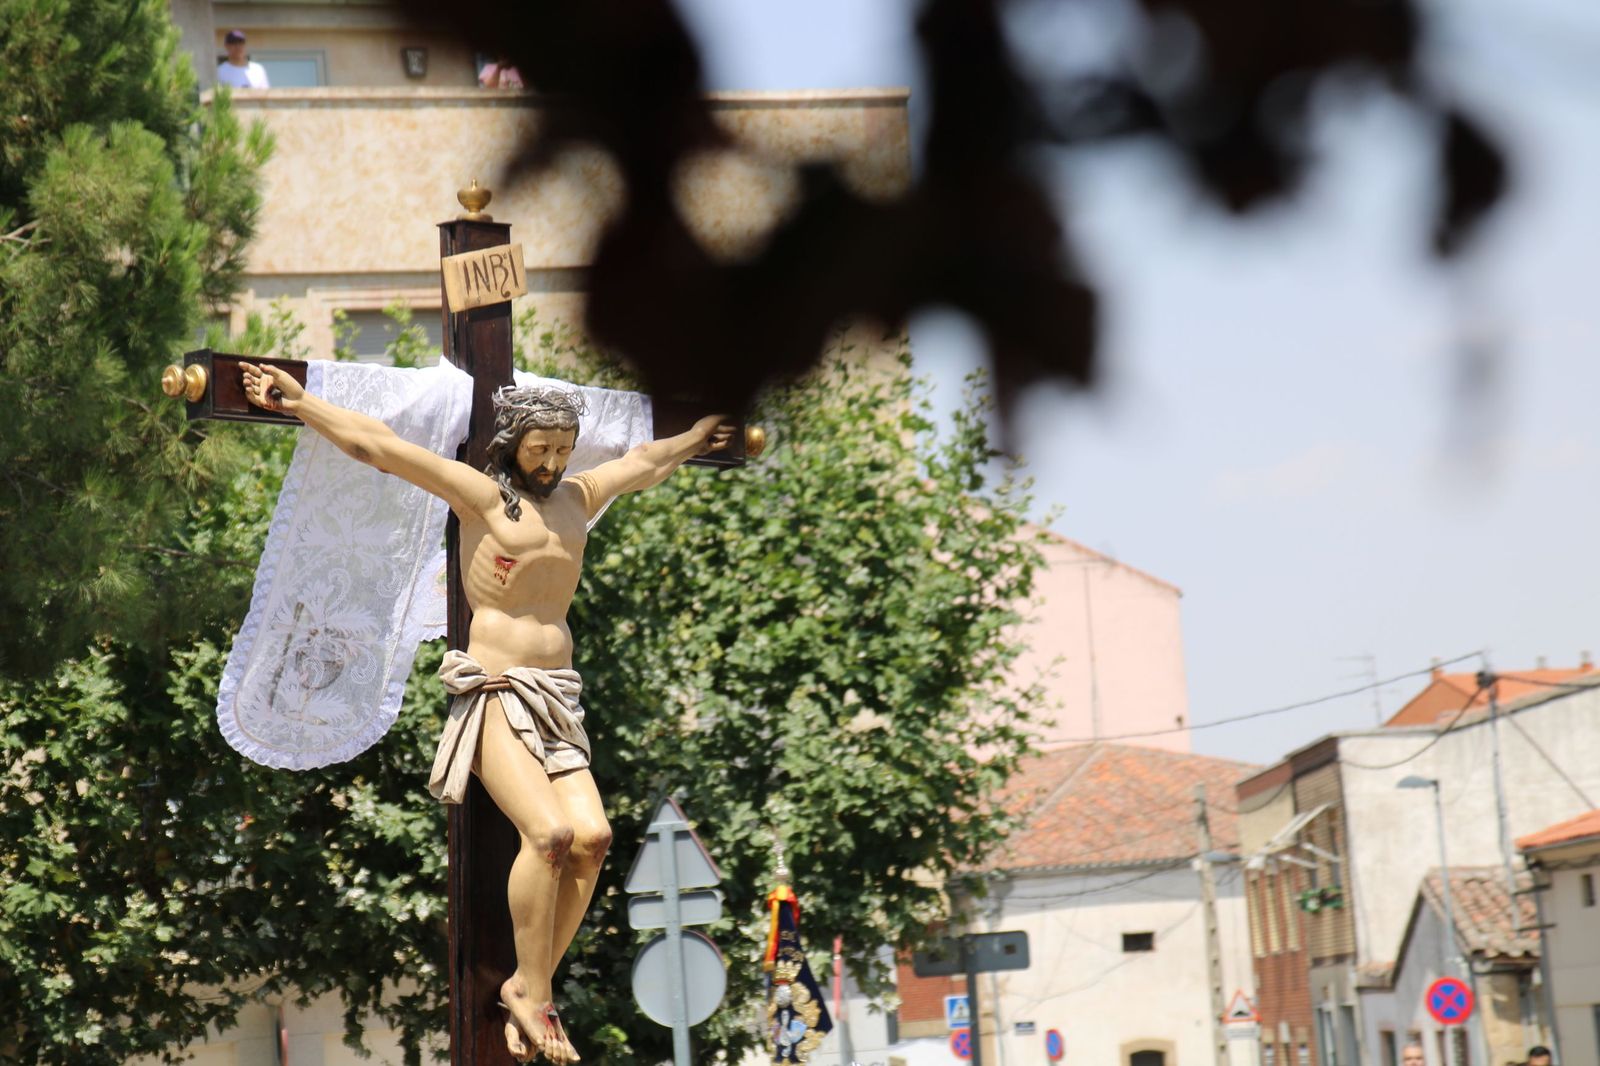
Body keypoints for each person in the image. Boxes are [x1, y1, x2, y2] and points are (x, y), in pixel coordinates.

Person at [240, 362, 731, 1064]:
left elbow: (647, 461)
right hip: (498, 691)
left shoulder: (577, 497)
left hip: (558, 696)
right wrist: (301, 404)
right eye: (542, 449)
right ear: (513, 442)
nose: (555, 462)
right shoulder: (482, 499)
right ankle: (533, 996)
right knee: (551, 832)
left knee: (593, 838)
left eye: (564, 448)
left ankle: (531, 989)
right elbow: (377, 445)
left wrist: (703, 433)